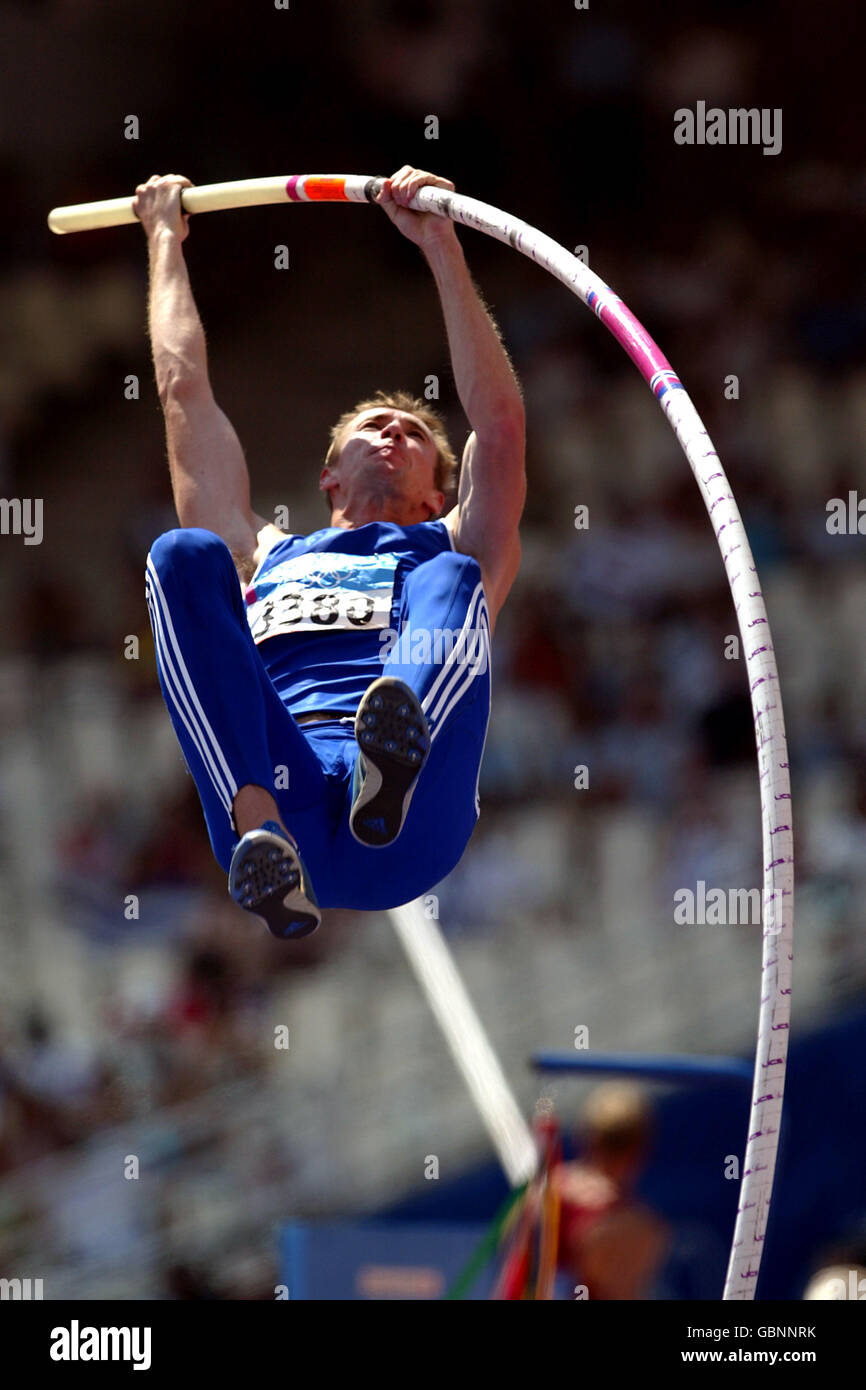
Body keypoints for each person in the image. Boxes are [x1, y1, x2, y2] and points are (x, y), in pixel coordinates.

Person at [135, 166, 525, 940]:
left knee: (455, 578)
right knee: (180, 554)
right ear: (329, 475)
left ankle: (391, 762)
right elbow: (184, 393)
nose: (393, 434)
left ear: (437, 493)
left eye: (414, 434)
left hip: (412, 824)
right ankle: (260, 830)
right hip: (289, 808)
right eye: (373, 427)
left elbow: (502, 423)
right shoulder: (261, 554)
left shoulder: (451, 539)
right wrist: (163, 242)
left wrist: (440, 242)